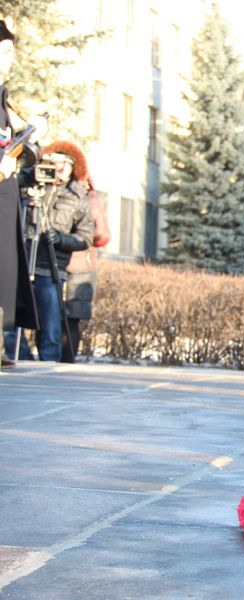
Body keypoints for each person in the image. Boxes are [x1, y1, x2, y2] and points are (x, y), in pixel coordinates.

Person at [18, 141, 94, 362]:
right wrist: (32, 169)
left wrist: (60, 239)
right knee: (12, 323)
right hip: (23, 262)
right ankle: (20, 358)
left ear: (73, 167)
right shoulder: (31, 186)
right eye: (54, 163)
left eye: (64, 164)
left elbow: (85, 237)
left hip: (50, 268)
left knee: (50, 325)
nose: (58, 168)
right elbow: (11, 184)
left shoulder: (76, 196)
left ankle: (49, 363)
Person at [0, 20, 37, 368]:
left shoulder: (3, 98)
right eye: (5, 50)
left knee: (5, 267)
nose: (11, 58)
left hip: (5, 192)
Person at [60, 174, 110, 362]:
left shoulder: (90, 201)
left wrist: (80, 234)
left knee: (71, 319)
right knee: (54, 318)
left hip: (81, 265)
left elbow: (103, 235)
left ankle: (67, 360)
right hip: (57, 262)